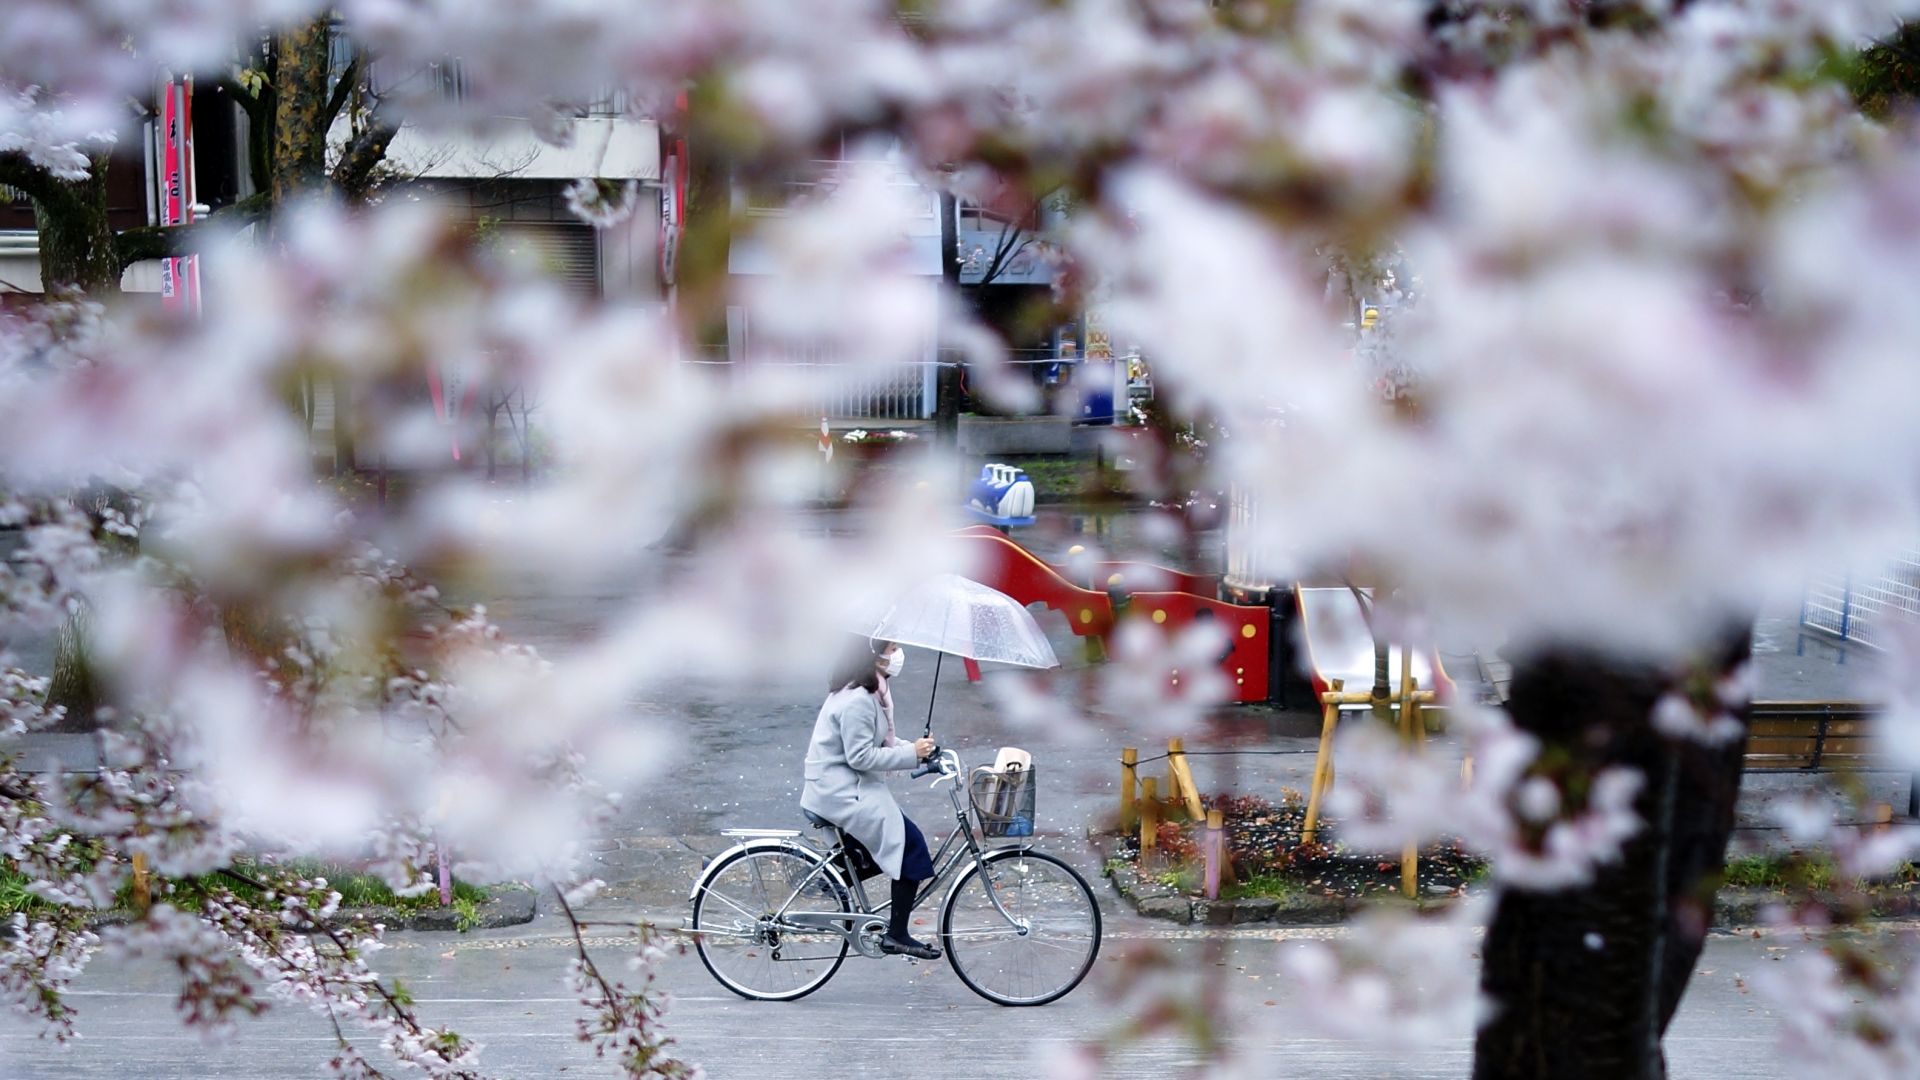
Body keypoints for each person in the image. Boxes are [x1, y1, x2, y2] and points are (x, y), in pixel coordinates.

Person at [801, 634, 941, 959]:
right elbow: (861, 756)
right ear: (875, 657)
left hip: (844, 785)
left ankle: (829, 881)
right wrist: (912, 755)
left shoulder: (867, 691)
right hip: (841, 790)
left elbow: (877, 742)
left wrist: (920, 752)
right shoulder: (859, 700)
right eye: (892, 649)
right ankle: (897, 934)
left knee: (877, 850)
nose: (898, 654)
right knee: (911, 845)